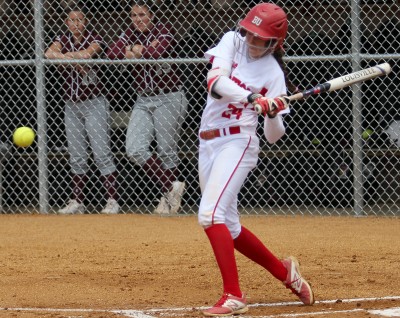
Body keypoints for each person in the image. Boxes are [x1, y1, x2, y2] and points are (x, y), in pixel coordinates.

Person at [197, 3, 315, 316]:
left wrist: (272, 112)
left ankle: (233, 296)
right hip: (208, 140)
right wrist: (252, 98)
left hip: (238, 142)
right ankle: (285, 273)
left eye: (259, 36)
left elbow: (274, 135)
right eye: (249, 31)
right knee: (230, 226)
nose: (250, 39)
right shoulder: (231, 41)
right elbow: (215, 83)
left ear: (274, 43)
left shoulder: (273, 74)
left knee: (210, 215)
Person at [107, 0, 188, 215]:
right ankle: (171, 188)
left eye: (142, 14)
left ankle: (168, 200)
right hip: (143, 99)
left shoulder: (164, 29)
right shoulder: (129, 34)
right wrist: (138, 48)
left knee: (166, 150)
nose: (138, 19)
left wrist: (132, 51)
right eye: (133, 16)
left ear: (150, 15)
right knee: (134, 148)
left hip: (169, 96)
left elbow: (156, 53)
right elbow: (113, 53)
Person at [45, 4, 120, 214]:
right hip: (71, 104)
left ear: (85, 21)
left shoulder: (95, 37)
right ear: (67, 23)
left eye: (79, 20)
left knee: (101, 152)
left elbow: (88, 54)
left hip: (94, 102)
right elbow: (49, 53)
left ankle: (112, 200)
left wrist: (67, 57)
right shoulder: (63, 38)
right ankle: (77, 201)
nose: (76, 23)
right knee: (76, 154)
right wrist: (70, 58)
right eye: (72, 20)